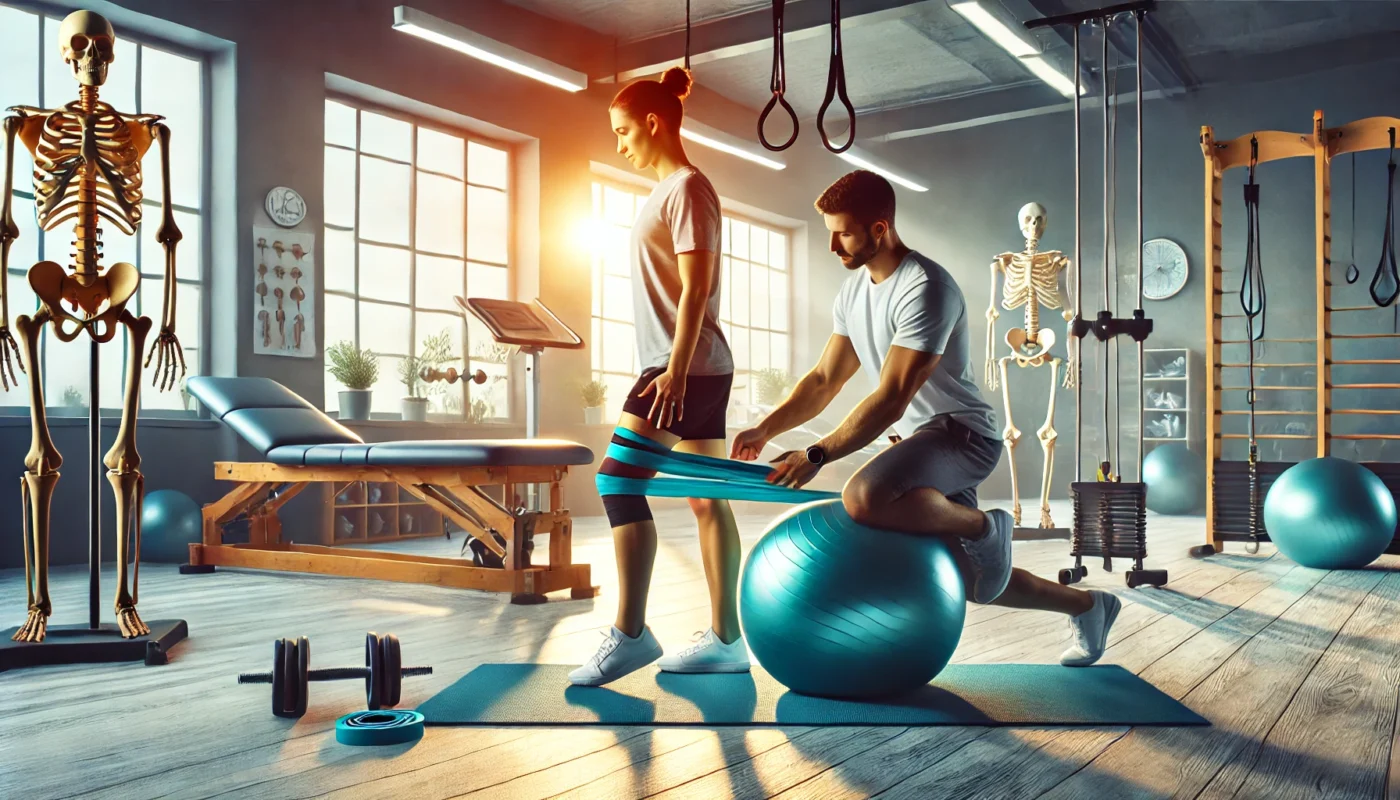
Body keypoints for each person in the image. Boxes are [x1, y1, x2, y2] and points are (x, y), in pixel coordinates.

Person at [732, 170, 1121, 667]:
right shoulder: (853, 294)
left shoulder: (926, 287)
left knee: (864, 495)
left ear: (880, 228)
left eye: (843, 231)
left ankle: (984, 526)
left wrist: (815, 454)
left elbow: (894, 395)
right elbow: (825, 380)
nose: (832, 245)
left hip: (960, 435)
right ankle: (1089, 606)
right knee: (970, 581)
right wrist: (766, 428)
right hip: (916, 443)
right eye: (829, 230)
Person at [570, 66, 752, 686]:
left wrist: (673, 369)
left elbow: (698, 283)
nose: (619, 143)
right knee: (706, 498)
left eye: (623, 131)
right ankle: (727, 640)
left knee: (618, 484)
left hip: (683, 369)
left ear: (653, 123)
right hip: (698, 368)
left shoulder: (686, 188)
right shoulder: (666, 191)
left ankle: (629, 634)